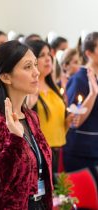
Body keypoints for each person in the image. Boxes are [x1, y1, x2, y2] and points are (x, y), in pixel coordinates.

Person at [0, 40, 53, 209]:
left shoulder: (31, 117)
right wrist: (14, 141)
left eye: (35, 65)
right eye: (28, 67)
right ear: (5, 76)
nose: (36, 72)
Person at [26, 40, 76, 174]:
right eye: (42, 55)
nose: (48, 58)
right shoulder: (29, 91)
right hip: (38, 154)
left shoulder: (54, 89)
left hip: (57, 150)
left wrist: (68, 121)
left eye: (49, 54)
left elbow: (57, 125)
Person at [63, 32, 98, 175]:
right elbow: (73, 120)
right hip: (82, 151)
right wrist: (93, 94)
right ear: (89, 53)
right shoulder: (79, 79)